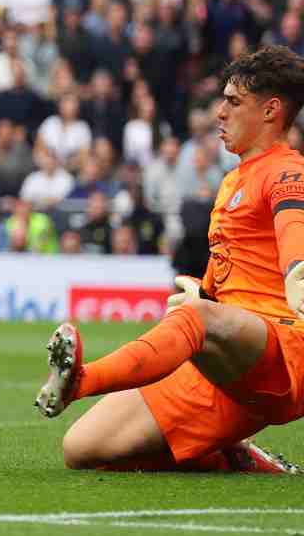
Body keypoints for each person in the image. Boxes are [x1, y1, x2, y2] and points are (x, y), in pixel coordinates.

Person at [36, 46, 304, 474]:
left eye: (233, 101)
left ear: (271, 110)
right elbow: (235, 265)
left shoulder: (287, 170)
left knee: (201, 318)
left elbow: (295, 227)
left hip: (283, 350)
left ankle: (79, 381)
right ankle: (231, 456)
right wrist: (204, 291)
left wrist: (297, 272)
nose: (219, 112)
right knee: (84, 450)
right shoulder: (234, 179)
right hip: (224, 361)